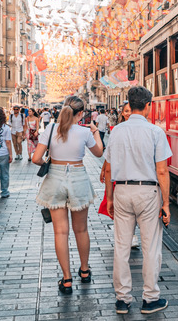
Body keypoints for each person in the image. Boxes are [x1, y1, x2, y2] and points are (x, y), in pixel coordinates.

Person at [102, 86, 172, 314]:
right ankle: (150, 299)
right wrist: (166, 203)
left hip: (122, 190)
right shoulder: (155, 132)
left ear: (130, 105)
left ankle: (123, 300)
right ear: (149, 105)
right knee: (150, 246)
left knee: (122, 246)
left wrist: (110, 197)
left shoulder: (117, 131)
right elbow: (162, 171)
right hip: (147, 192)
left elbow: (109, 169)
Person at [33, 96, 104, 295]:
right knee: (81, 230)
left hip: (55, 178)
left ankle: (66, 279)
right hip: (78, 177)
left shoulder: (51, 129)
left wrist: (50, 162)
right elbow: (99, 153)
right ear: (80, 114)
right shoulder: (84, 132)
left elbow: (36, 158)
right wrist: (95, 131)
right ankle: (84, 270)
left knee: (60, 232)